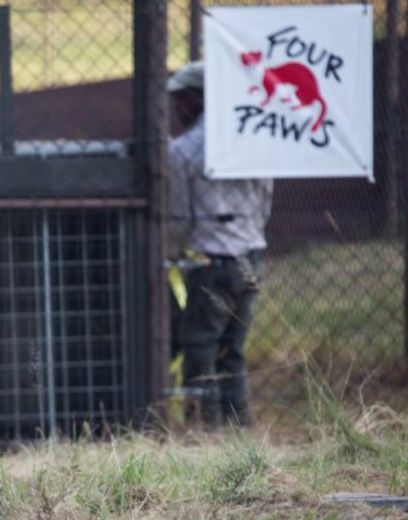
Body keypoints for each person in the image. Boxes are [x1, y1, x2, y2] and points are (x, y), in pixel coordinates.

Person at [166, 61, 273, 428]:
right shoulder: (252, 138)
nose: (176, 110)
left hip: (212, 261)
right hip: (253, 255)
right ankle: (238, 425)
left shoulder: (183, 150)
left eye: (180, 100)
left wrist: (174, 250)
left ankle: (204, 428)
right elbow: (265, 195)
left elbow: (179, 215)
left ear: (198, 99)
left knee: (200, 346)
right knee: (233, 351)